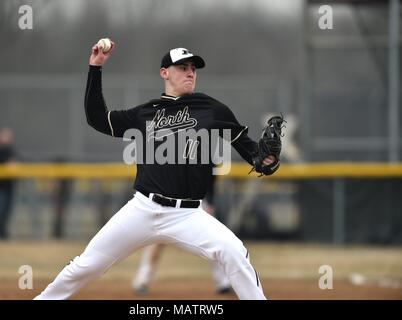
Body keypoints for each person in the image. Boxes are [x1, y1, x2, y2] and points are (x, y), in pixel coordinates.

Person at [34, 40, 278, 300]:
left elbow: (252, 152)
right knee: (86, 265)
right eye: (182, 67)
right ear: (164, 73)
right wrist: (95, 68)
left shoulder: (212, 109)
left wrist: (267, 159)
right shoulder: (145, 114)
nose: (190, 72)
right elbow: (97, 117)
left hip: (188, 215)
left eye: (193, 68)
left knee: (234, 251)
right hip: (143, 209)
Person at [131, 173, 233, 295]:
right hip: (169, 197)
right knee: (158, 240)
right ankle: (143, 279)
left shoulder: (205, 153)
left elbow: (210, 175)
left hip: (197, 200)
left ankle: (223, 282)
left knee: (215, 241)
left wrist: (210, 202)